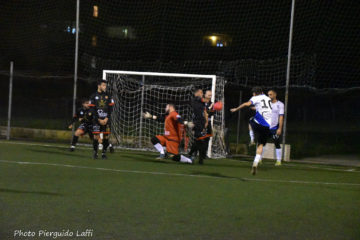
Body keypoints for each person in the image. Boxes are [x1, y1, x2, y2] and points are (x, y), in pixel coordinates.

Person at [230, 86, 272, 175]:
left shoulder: (255, 97)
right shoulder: (268, 99)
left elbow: (246, 104)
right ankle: (255, 163)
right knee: (260, 145)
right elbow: (265, 108)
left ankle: (252, 139)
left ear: (254, 93)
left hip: (259, 122)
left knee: (250, 120)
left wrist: (236, 109)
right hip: (268, 125)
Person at [89, 80, 115, 159]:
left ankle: (104, 153)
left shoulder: (108, 95)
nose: (105, 87)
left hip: (106, 120)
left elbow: (111, 108)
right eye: (103, 85)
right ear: (99, 86)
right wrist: (99, 119)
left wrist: (107, 118)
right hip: (97, 120)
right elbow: (92, 109)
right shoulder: (93, 96)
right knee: (96, 136)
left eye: (105, 85)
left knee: (106, 137)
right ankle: (95, 153)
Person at [268, 89, 284, 166]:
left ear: (275, 95)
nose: (269, 96)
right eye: (268, 94)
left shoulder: (280, 104)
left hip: (274, 127)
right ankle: (259, 159)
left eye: (271, 94)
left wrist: (280, 128)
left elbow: (281, 117)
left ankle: (278, 160)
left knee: (276, 143)